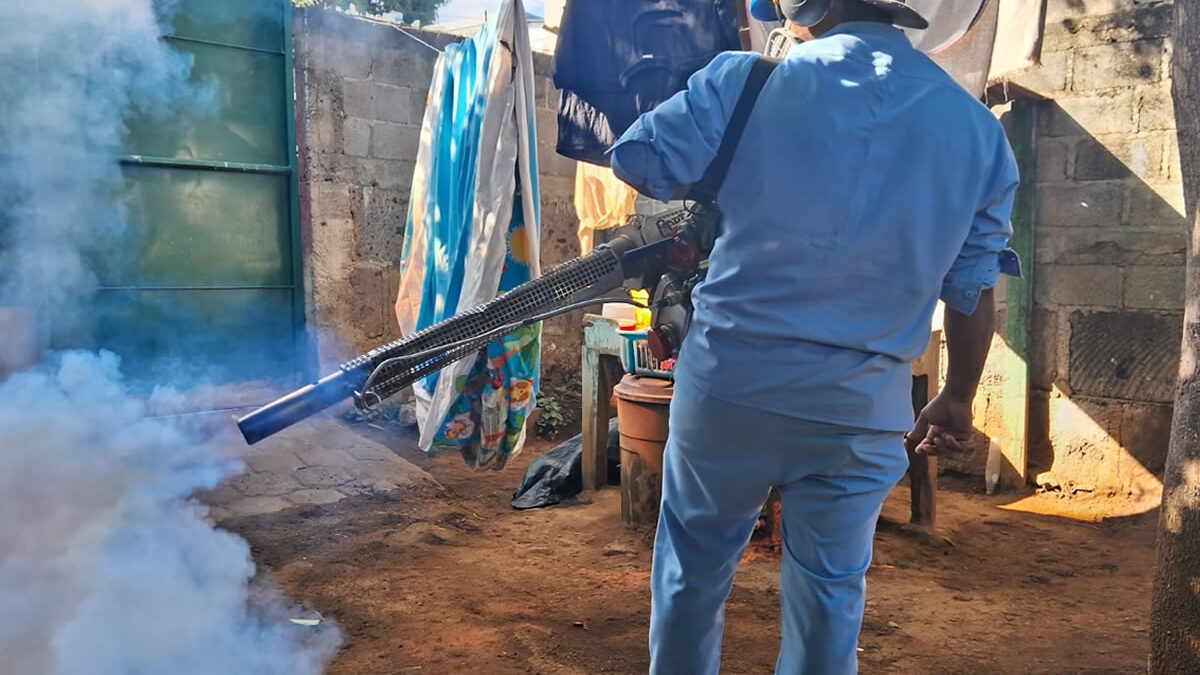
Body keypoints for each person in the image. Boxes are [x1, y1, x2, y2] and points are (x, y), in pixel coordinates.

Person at [607, 0, 1021, 673]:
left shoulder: (747, 82)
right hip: (860, 411)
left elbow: (638, 157)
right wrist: (958, 396)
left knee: (691, 579)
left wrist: (723, 172)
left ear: (805, 9)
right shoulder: (977, 132)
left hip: (731, 388)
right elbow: (972, 289)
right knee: (830, 606)